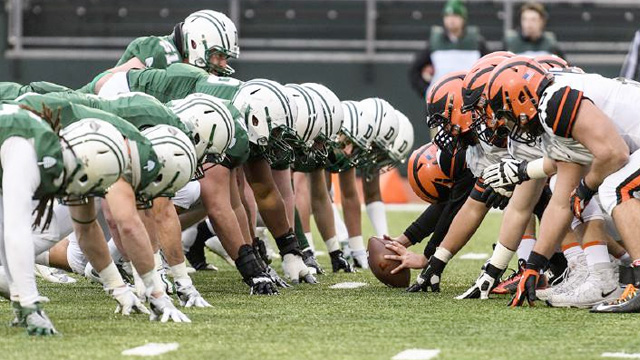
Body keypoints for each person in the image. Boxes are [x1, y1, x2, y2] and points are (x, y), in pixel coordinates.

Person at [482, 56, 639, 310]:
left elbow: (615, 153)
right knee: (564, 189)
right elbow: (561, 202)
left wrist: (587, 187)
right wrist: (534, 265)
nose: (508, 124)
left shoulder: (554, 101)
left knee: (615, 188)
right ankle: (602, 278)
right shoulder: (549, 110)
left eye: (506, 114)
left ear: (522, 99)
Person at [408, 0, 488, 98]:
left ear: (463, 19)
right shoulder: (435, 42)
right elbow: (414, 70)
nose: (451, 20)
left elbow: (488, 69)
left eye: (455, 16)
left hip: (468, 99)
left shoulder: (476, 42)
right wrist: (427, 92)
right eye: (448, 16)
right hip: (441, 99)